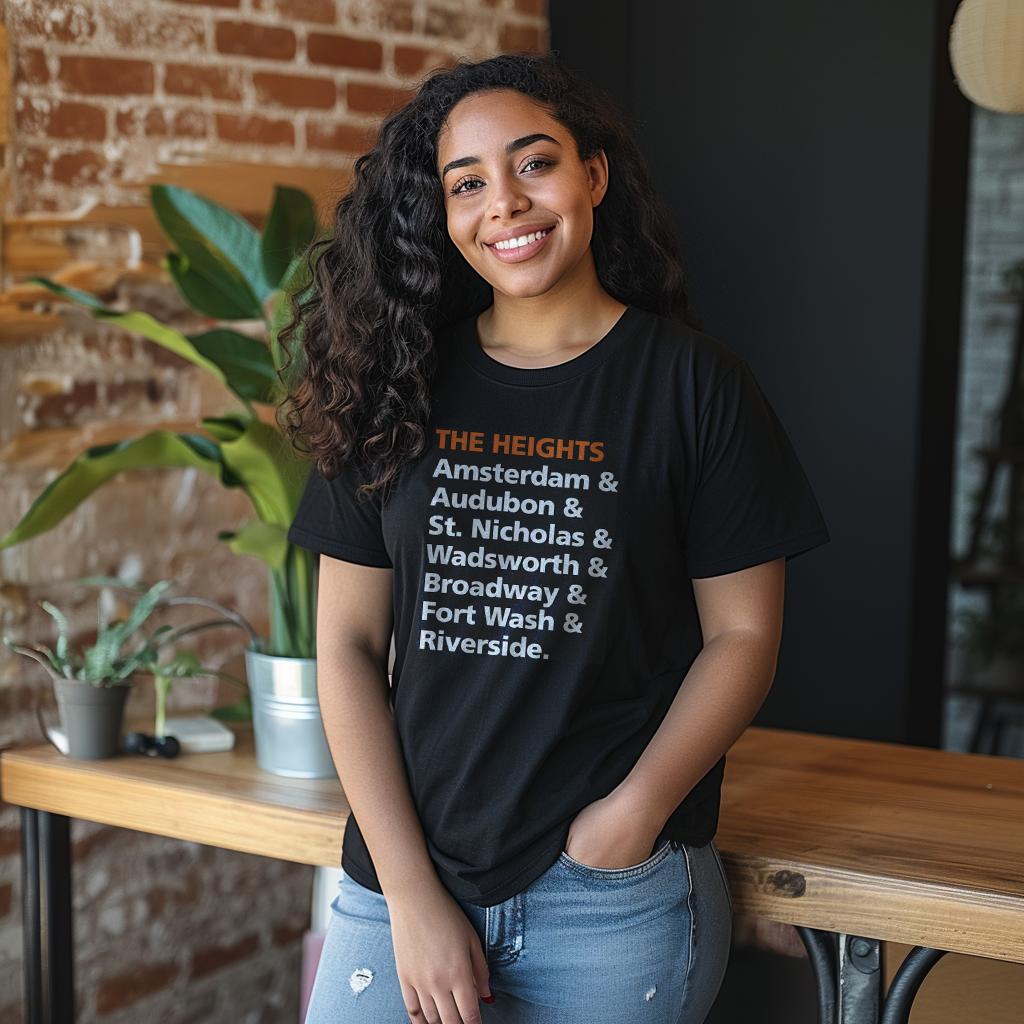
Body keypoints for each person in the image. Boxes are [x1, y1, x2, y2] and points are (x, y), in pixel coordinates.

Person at [284, 53, 828, 1024]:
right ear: (444, 215)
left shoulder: (696, 389)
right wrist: (409, 893)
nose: (504, 203)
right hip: (403, 878)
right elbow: (349, 647)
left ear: (593, 176)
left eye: (533, 164)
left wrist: (628, 817)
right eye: (467, 183)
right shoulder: (393, 385)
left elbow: (742, 636)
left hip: (607, 894)